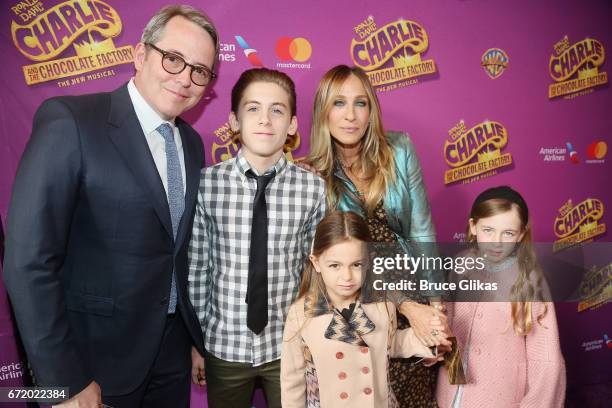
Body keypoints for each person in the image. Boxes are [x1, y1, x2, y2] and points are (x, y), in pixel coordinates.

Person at [2, 5, 218, 407]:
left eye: (200, 71)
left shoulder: (191, 144)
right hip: (91, 365)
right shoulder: (72, 122)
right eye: (173, 59)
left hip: (170, 360)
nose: (185, 78)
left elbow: (178, 252)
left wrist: (192, 339)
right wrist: (64, 380)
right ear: (140, 56)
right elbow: (28, 261)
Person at [307, 64, 447, 406]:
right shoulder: (312, 175)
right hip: (360, 305)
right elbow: (341, 258)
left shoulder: (399, 150)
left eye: (361, 103)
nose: (351, 115)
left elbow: (421, 230)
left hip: (414, 290)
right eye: (339, 103)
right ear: (323, 111)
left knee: (416, 395)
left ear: (372, 109)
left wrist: (436, 306)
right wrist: (408, 306)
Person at [188, 67, 327, 408]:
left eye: (277, 110)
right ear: (234, 120)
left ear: (292, 125)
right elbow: (198, 271)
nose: (265, 119)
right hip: (224, 346)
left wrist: (313, 335)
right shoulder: (207, 184)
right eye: (253, 108)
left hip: (290, 346)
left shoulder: (312, 189)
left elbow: (318, 273)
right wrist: (196, 343)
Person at [281, 210, 447, 407]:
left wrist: (429, 339)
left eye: (357, 265)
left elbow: (390, 344)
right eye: (335, 265)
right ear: (316, 262)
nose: (347, 276)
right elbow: (293, 381)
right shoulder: (302, 313)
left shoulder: (382, 304)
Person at [436, 186, 566, 407]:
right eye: (488, 230)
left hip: (500, 395)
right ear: (473, 226)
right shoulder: (460, 264)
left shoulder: (531, 279)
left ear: (521, 234)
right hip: (451, 393)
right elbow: (446, 322)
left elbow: (546, 357)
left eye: (508, 233)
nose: (496, 242)